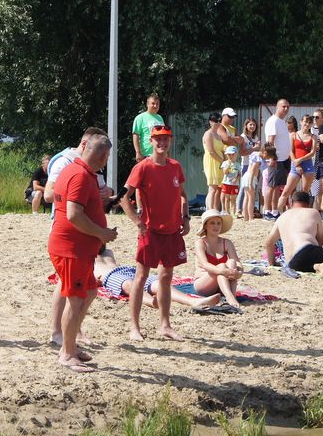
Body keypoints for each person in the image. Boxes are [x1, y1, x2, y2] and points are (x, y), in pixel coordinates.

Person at [49, 134, 118, 372]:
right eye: (107, 156)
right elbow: (73, 215)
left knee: (89, 291)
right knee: (76, 299)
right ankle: (67, 354)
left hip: (75, 249)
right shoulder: (79, 175)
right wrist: (102, 233)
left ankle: (69, 345)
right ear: (103, 156)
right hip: (71, 250)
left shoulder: (74, 169)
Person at [120, 124, 190, 341]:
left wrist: (186, 218)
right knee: (141, 277)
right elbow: (123, 196)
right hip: (150, 231)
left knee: (166, 277)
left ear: (170, 141)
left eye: (165, 139)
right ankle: (134, 327)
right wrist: (137, 222)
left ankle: (165, 325)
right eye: (158, 139)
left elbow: (183, 195)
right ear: (150, 141)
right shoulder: (142, 167)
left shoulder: (175, 166)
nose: (162, 143)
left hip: (172, 231)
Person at [263, 191, 323, 278]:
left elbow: (268, 243)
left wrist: (272, 263)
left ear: (291, 203)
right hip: (306, 250)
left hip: (292, 264)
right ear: (309, 203)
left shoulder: (282, 216)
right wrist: (321, 257)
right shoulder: (313, 212)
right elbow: (319, 240)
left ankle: (319, 266)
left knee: (312, 260)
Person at [94, 248, 221, 310]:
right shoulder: (87, 253)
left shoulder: (108, 251)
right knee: (129, 284)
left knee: (158, 283)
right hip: (109, 276)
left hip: (126, 269)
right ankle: (152, 302)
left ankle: (193, 301)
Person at [193, 209, 243, 313]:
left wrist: (239, 272)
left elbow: (237, 262)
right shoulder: (200, 243)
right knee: (222, 266)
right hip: (204, 282)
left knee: (232, 262)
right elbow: (205, 265)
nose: (216, 226)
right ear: (205, 226)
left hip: (223, 281)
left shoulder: (227, 242)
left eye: (218, 223)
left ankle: (231, 296)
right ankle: (230, 297)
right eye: (212, 223)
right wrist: (222, 270)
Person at [277, 114, 316, 213]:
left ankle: (302, 214)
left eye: (309, 122)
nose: (307, 124)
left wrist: (300, 160)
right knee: (286, 191)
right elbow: (290, 151)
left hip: (307, 164)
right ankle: (277, 213)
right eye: (305, 121)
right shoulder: (293, 135)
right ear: (301, 122)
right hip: (295, 164)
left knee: (304, 192)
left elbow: (312, 152)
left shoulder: (313, 137)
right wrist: (297, 163)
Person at [263, 99, 291, 219]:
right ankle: (267, 211)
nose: (286, 109)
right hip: (276, 159)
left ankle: (274, 211)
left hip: (283, 159)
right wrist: (272, 158)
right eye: (283, 106)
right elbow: (270, 141)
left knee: (277, 186)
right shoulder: (273, 121)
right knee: (271, 186)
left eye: (287, 107)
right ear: (277, 107)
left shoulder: (282, 121)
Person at [237, 117, 261, 217]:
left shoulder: (256, 137)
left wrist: (257, 148)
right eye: (250, 124)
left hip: (255, 165)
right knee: (244, 187)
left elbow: (259, 151)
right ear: (246, 125)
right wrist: (254, 148)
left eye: (254, 125)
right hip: (246, 165)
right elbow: (242, 153)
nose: (252, 126)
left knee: (252, 188)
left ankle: (249, 210)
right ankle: (239, 210)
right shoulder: (243, 137)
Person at [202, 113, 227, 211]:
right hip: (211, 162)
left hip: (220, 162)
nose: (218, 123)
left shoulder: (218, 135)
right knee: (212, 187)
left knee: (217, 187)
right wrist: (222, 161)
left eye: (219, 121)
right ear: (210, 122)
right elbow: (211, 151)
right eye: (216, 121)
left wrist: (225, 160)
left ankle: (214, 209)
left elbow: (222, 149)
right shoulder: (208, 134)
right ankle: (209, 209)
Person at [131, 93, 164, 163]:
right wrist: (138, 152)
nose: (155, 106)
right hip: (145, 155)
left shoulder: (160, 118)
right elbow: (135, 135)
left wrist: (166, 153)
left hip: (159, 155)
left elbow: (164, 136)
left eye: (157, 104)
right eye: (153, 103)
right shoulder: (140, 118)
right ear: (147, 104)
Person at [240, 148, 265, 222]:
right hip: (250, 178)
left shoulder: (254, 155)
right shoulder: (257, 159)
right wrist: (250, 183)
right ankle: (251, 217)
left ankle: (246, 216)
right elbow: (253, 171)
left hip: (246, 177)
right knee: (251, 198)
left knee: (246, 198)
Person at [220, 145, 241, 216]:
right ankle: (227, 212)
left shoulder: (238, 164)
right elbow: (225, 172)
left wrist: (236, 179)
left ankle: (233, 213)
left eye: (233, 154)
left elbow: (239, 174)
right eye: (229, 154)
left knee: (233, 199)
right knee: (227, 199)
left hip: (234, 184)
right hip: (226, 183)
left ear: (236, 154)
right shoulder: (225, 163)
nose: (231, 156)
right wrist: (228, 165)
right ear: (226, 155)